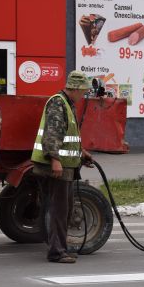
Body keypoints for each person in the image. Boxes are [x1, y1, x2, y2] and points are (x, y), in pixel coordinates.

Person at [31, 70, 93, 263]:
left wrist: (82, 152)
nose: (83, 95)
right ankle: (56, 252)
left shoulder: (68, 103)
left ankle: (61, 248)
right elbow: (52, 134)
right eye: (82, 91)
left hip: (66, 166)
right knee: (59, 210)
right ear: (74, 88)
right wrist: (55, 160)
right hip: (58, 167)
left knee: (62, 209)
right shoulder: (58, 102)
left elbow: (67, 135)